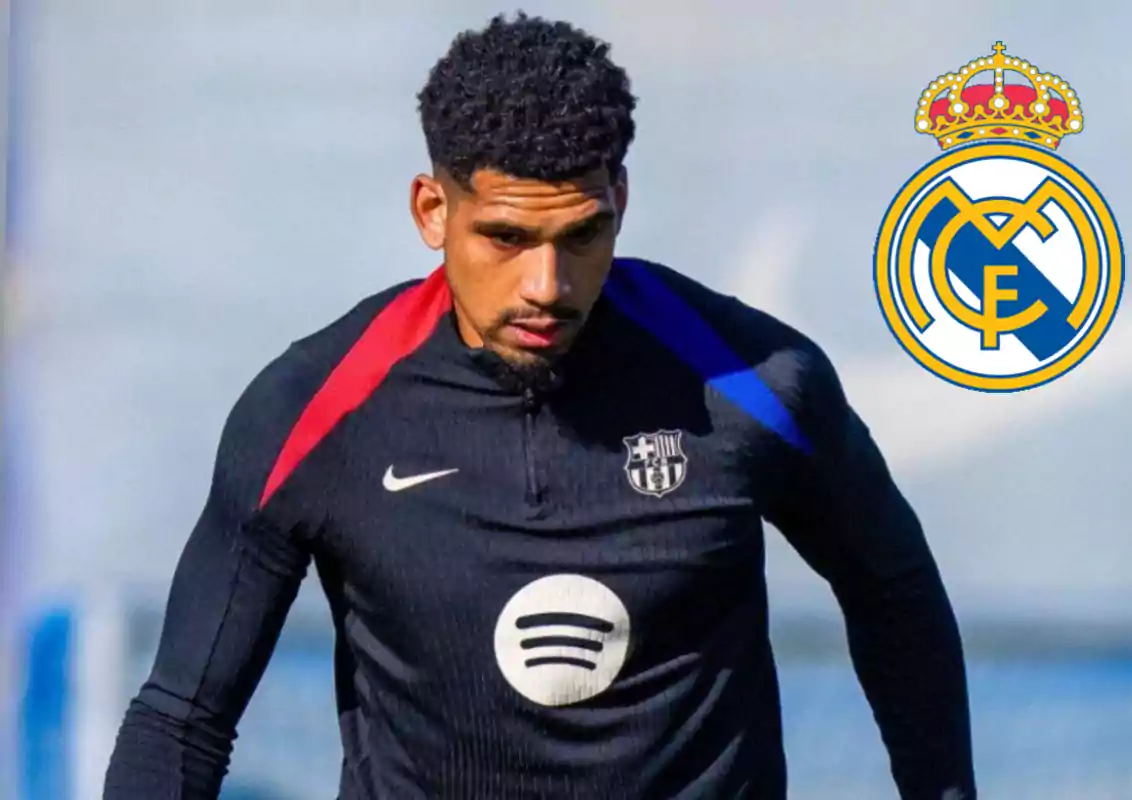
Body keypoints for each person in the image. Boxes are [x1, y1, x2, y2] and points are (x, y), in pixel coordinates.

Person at [103, 12, 975, 800]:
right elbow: (183, 717)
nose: (546, 286)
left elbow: (893, 593)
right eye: (507, 238)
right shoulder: (312, 410)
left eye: (582, 235)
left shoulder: (757, 383)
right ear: (432, 210)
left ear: (620, 203)